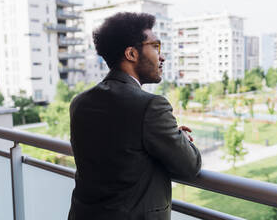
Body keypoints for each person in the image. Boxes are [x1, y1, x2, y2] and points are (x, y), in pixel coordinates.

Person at [68, 12, 202, 220]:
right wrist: (181, 140)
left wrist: (168, 137)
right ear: (131, 54)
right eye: (156, 47)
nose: (162, 56)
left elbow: (121, 152)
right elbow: (190, 166)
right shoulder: (150, 106)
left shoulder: (80, 102)